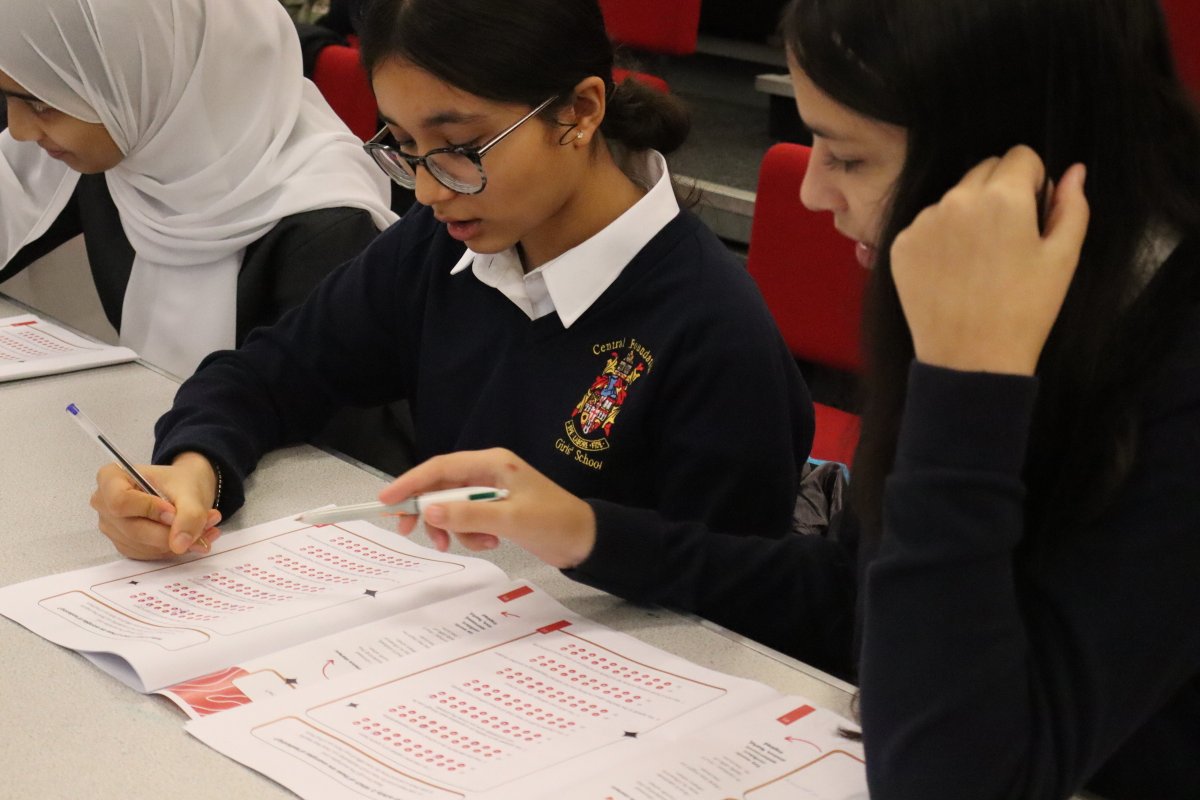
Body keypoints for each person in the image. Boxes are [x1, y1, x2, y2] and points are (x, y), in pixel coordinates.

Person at [369, 0, 1200, 797]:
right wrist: (590, 533)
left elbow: (948, 777)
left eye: (849, 157)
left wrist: (968, 387)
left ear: (1007, 169)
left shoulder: (1134, 361)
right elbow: (854, 599)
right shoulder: (1028, 293)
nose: (811, 193)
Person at [89, 0, 814, 562]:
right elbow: (270, 373)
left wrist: (588, 538)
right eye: (405, 146)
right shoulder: (440, 248)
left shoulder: (712, 330)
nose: (431, 190)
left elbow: (741, 596)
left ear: (579, 112)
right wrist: (195, 469)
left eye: (462, 147)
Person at [1, 0, 397, 378]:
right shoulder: (129, 144)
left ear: (142, 72)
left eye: (41, 104)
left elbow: (334, 415)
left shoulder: (324, 226)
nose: (17, 131)